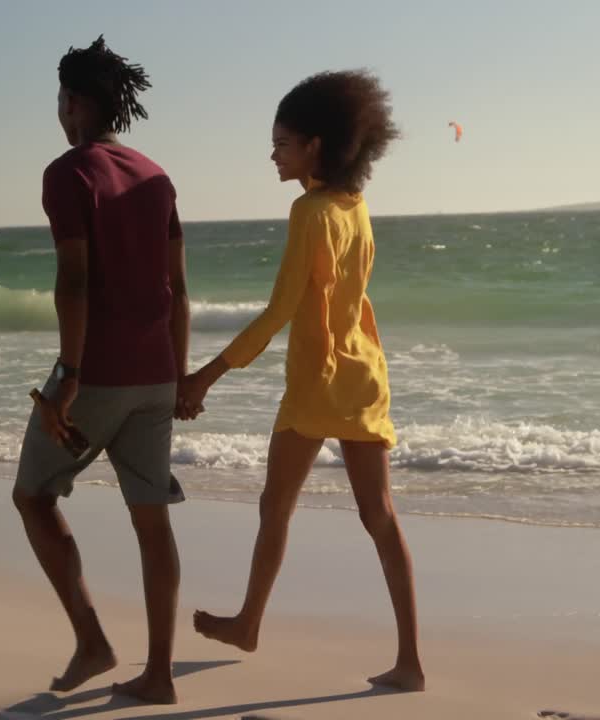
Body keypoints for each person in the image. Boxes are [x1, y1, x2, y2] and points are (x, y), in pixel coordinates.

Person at [178, 69, 425, 692]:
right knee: (380, 516)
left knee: (276, 506)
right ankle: (410, 661)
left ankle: (250, 623)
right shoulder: (356, 207)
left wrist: (204, 376)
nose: (273, 154)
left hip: (317, 385)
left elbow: (279, 310)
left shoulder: (310, 211)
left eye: (282, 143)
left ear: (315, 145)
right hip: (364, 375)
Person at [12, 36, 189, 705]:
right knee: (152, 520)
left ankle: (91, 640)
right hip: (156, 373)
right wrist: (178, 376)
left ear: (75, 103)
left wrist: (68, 373)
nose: (59, 112)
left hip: (100, 371)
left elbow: (76, 279)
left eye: (61, 100)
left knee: (33, 497)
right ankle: (160, 674)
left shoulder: (69, 172)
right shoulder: (156, 175)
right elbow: (178, 286)